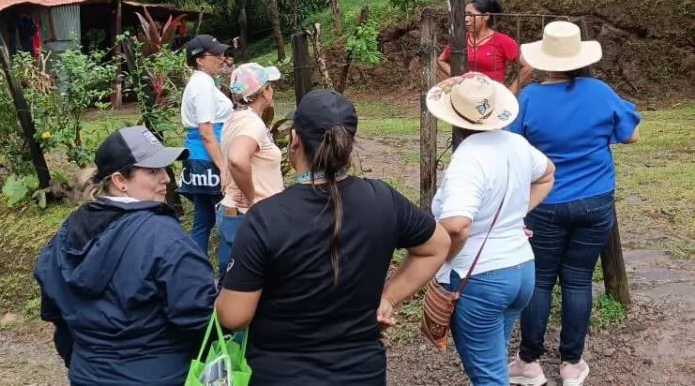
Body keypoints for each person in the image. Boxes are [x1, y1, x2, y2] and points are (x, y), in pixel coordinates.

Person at [215, 89, 451, 385]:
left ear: (295, 140)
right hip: (363, 373)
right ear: (348, 144)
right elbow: (438, 245)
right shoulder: (383, 199)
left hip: (281, 374)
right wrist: (389, 298)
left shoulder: (265, 218)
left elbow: (234, 316)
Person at [507, 21, 641, 386]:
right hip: (596, 202)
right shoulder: (599, 91)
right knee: (579, 280)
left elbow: (511, 143)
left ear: (544, 59)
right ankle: (571, 364)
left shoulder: (530, 98)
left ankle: (529, 363)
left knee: (541, 281)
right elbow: (632, 134)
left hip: (545, 201)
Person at [34, 126, 217, 385]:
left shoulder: (68, 231)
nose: (166, 178)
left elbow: (55, 310)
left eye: (165, 168)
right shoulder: (164, 236)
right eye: (153, 171)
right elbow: (201, 317)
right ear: (120, 181)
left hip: (87, 374)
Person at [425, 73, 555, 386]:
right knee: (494, 363)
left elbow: (457, 226)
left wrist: (443, 259)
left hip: (480, 278)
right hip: (521, 270)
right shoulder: (517, 144)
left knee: (489, 377)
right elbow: (548, 174)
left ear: (455, 119)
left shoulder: (468, 159)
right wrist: (512, 218)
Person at [216, 63, 284, 275]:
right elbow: (237, 159)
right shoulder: (251, 124)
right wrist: (252, 197)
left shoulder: (234, 119)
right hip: (250, 218)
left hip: (234, 214)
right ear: (264, 91)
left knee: (232, 282)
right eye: (270, 85)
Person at [179, 34, 233, 254]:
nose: (222, 58)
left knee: (203, 219)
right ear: (199, 60)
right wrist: (224, 168)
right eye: (216, 54)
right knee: (228, 218)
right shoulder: (201, 85)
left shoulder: (201, 82)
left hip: (198, 157)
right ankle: (225, 276)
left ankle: (195, 273)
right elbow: (207, 132)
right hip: (210, 158)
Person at [438, 0, 533, 92]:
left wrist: (511, 90)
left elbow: (528, 66)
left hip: (492, 96)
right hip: (465, 94)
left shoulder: (502, 41)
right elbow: (441, 60)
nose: (466, 19)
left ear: (486, 16)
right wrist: (458, 78)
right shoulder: (460, 40)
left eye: (471, 15)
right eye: (465, 14)